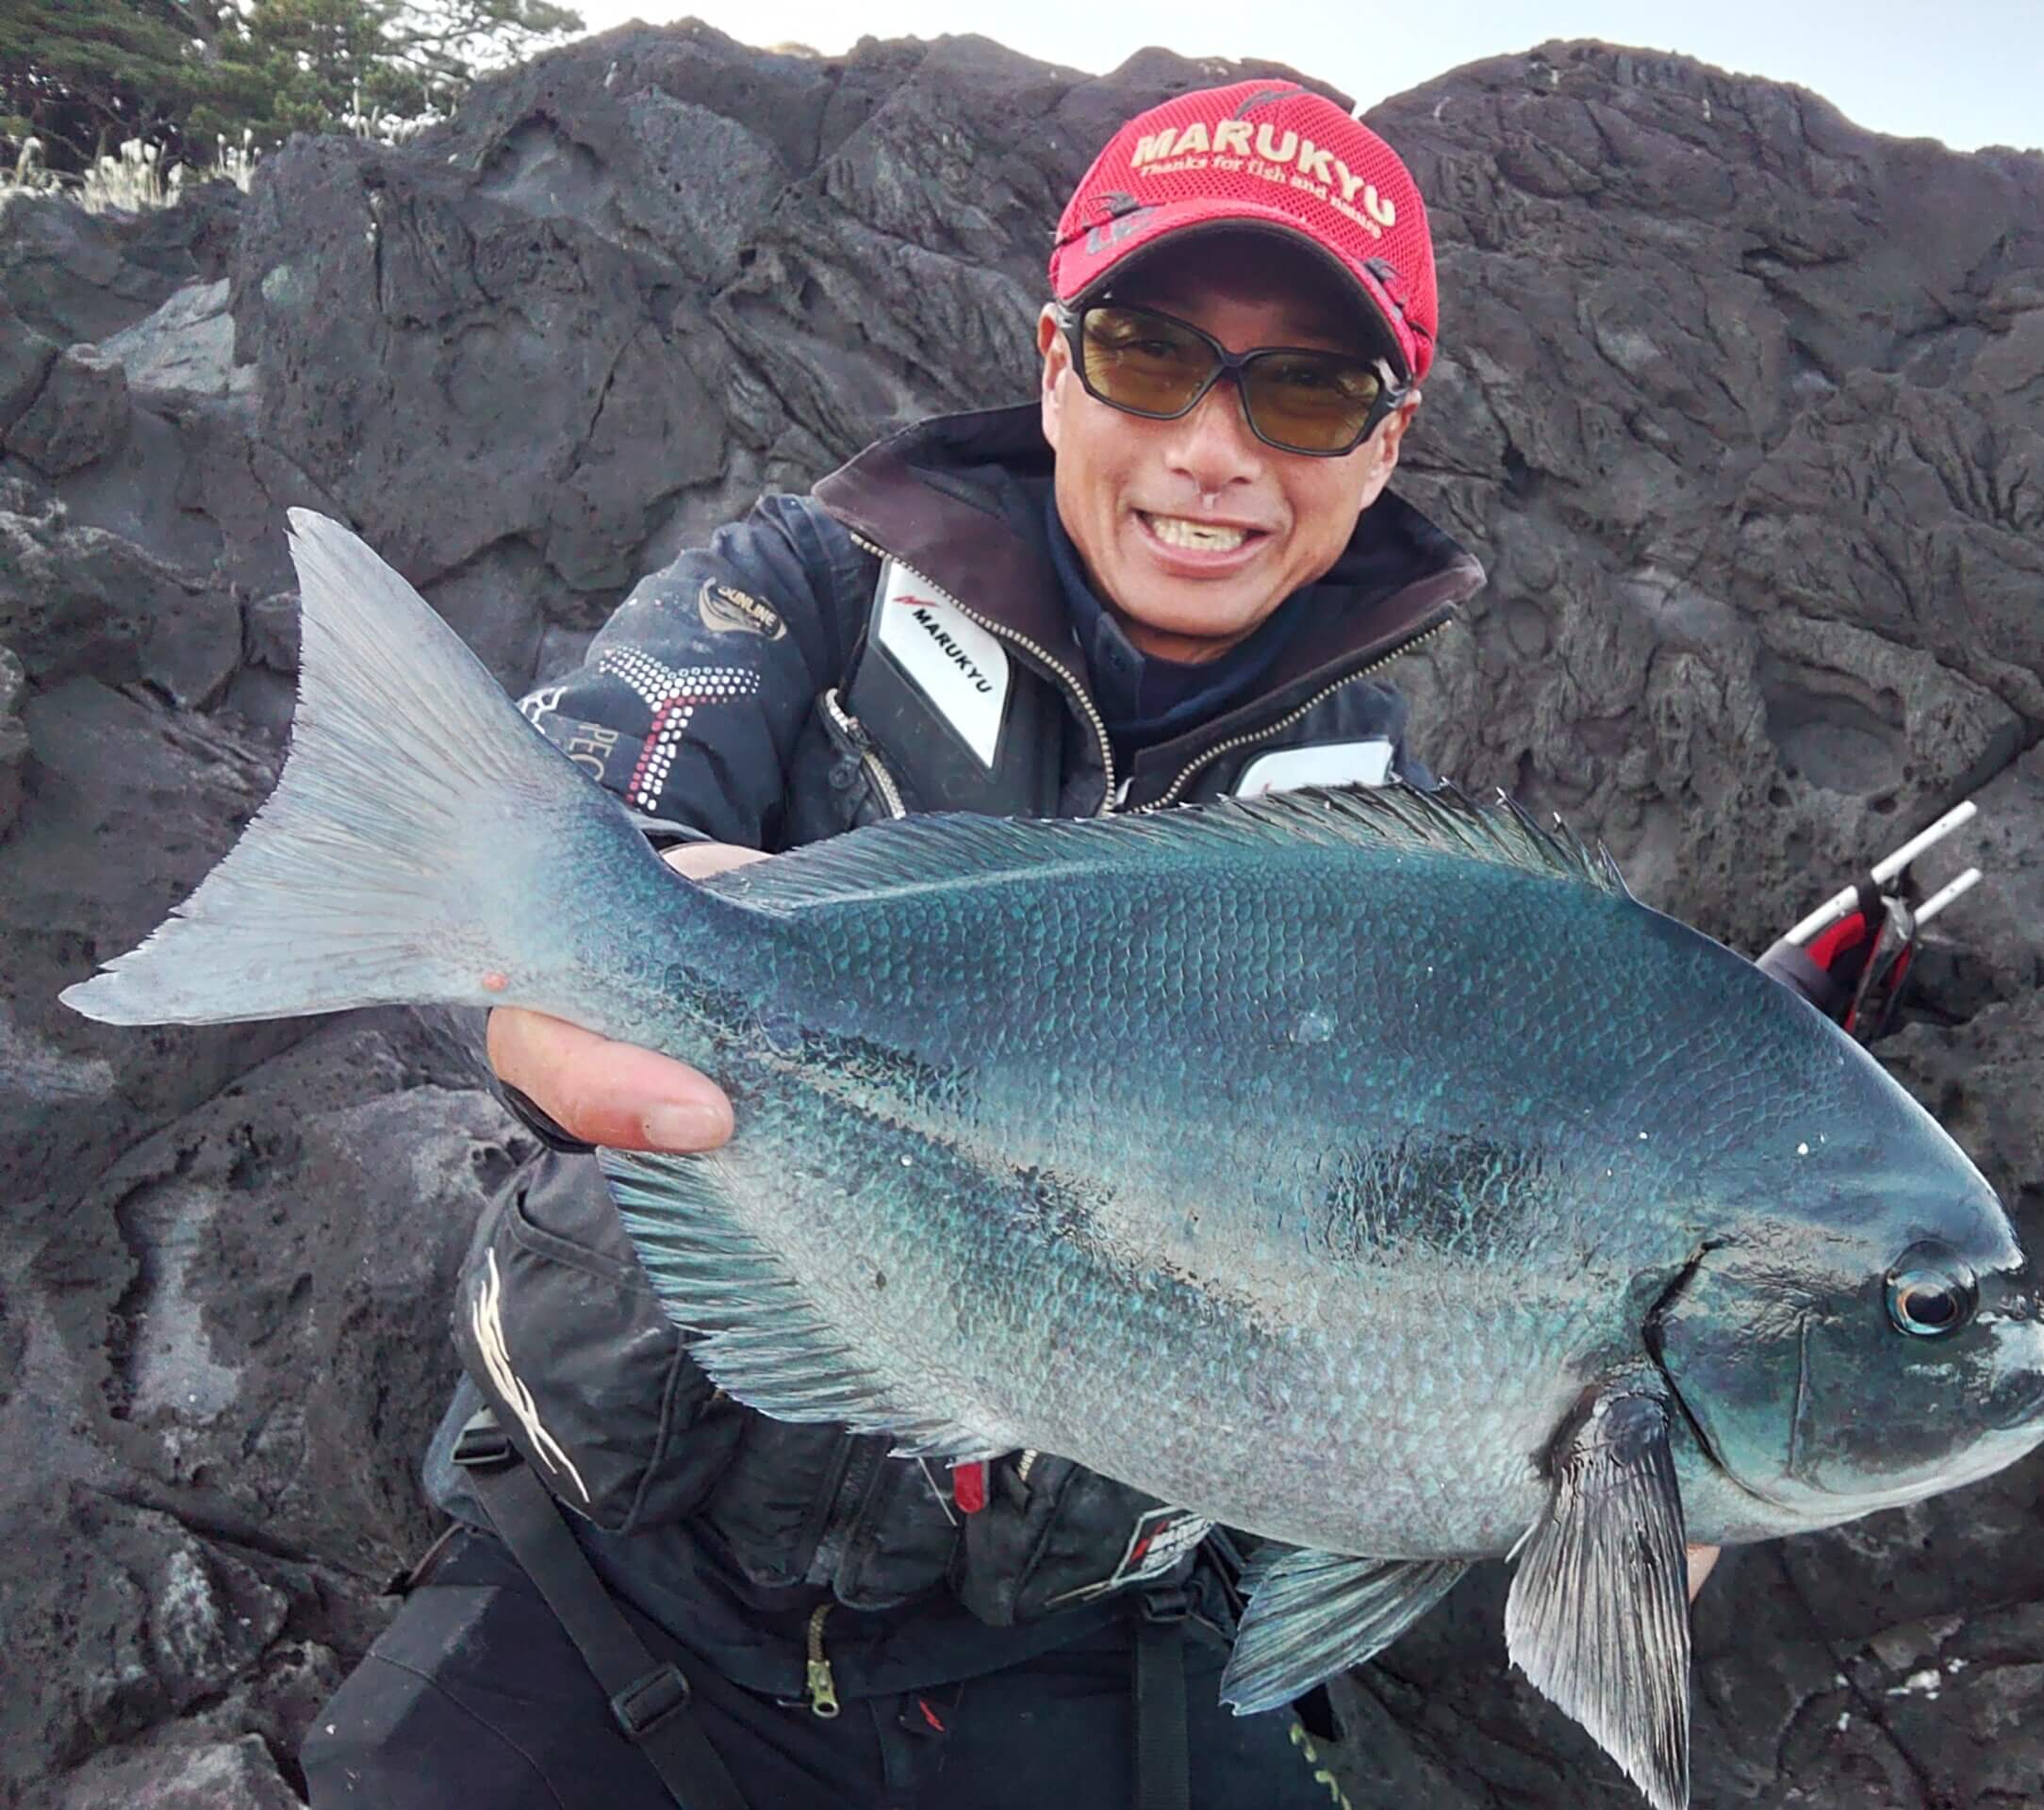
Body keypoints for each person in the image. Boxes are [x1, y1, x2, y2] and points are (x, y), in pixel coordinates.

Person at [303, 78, 1768, 1810]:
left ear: (1386, 449)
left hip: (1062, 1642)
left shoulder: (1403, 867)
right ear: (1058, 364)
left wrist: (1643, 1471)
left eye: (1306, 392)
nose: (1214, 453)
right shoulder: (800, 593)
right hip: (615, 1561)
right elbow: (544, 821)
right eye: (1154, 357)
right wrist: (566, 980)